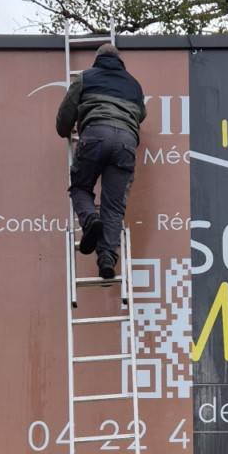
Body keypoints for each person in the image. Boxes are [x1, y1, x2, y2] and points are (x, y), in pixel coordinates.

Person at [56, 44, 147, 279]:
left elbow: (65, 116)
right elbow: (142, 114)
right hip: (126, 142)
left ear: (97, 59)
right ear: (119, 61)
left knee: (80, 186)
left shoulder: (85, 78)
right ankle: (107, 257)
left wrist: (67, 127)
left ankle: (90, 222)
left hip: (95, 134)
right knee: (114, 206)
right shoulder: (134, 85)